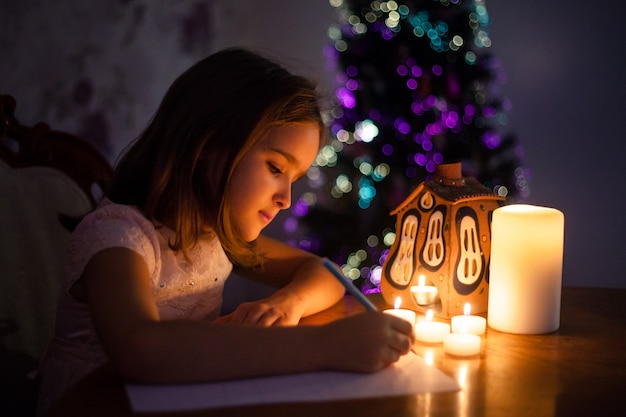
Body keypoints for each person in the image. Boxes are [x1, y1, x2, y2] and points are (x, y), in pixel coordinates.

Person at [36, 47, 415, 415]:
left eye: (295, 178)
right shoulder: (119, 239)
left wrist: (285, 305)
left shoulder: (213, 234)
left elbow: (324, 273)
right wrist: (324, 345)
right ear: (208, 144)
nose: (285, 198)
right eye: (275, 168)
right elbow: (140, 348)